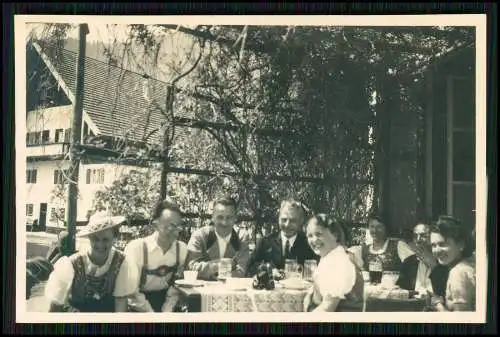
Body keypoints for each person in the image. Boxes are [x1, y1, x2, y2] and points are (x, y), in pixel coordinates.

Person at [44, 216, 137, 312]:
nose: (100, 245)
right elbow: (56, 303)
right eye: (95, 239)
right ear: (89, 238)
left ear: (114, 238)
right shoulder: (71, 263)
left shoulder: (121, 262)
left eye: (106, 240)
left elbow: (120, 300)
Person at [124, 198, 188, 312]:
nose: (176, 230)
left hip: (167, 306)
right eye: (171, 226)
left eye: (178, 226)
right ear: (155, 224)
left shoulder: (181, 249)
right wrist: (152, 316)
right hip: (139, 307)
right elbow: (131, 292)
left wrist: (166, 313)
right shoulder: (136, 248)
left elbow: (176, 288)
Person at [303, 214, 364, 312]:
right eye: (310, 235)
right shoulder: (329, 257)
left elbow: (327, 308)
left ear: (335, 235)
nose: (314, 240)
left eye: (319, 234)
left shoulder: (339, 262)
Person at [246, 199, 318, 277]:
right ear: (278, 218)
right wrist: (267, 270)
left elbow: (318, 273)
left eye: (292, 221)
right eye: (284, 220)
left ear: (301, 221)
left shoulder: (309, 245)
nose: (287, 225)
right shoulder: (265, 242)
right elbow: (249, 269)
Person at [186, 197, 251, 281]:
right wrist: (218, 265)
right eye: (220, 217)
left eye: (229, 217)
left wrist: (217, 275)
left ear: (235, 218)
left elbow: (242, 271)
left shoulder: (242, 237)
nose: (224, 222)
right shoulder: (200, 235)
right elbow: (190, 267)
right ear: (212, 217)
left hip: (231, 289)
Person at [428, 216, 476, 312]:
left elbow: (460, 321)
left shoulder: (459, 273)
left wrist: (437, 304)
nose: (436, 251)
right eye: (433, 245)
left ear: (461, 244)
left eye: (442, 244)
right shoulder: (469, 265)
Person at [396, 223, 449, 296]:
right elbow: (401, 288)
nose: (418, 240)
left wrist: (434, 266)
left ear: (432, 238)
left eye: (423, 236)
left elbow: (446, 291)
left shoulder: (444, 260)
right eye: (415, 236)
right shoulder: (409, 261)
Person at [349, 215, 415, 272]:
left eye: (379, 227)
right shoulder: (364, 250)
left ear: (386, 228)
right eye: (372, 226)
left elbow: (413, 265)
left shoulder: (398, 245)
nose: (375, 230)